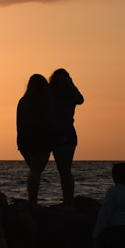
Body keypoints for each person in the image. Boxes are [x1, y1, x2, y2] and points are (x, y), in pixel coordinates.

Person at [16, 74, 53, 206]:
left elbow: (19, 123)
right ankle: (33, 201)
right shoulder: (45, 103)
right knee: (36, 171)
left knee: (34, 171)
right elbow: (49, 122)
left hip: (25, 142)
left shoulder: (23, 101)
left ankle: (32, 200)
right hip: (41, 141)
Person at [49, 68, 84, 208]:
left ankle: (68, 200)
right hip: (58, 133)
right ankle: (68, 200)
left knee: (65, 170)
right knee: (63, 170)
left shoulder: (69, 95)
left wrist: (70, 83)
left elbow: (80, 99)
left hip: (65, 133)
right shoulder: (51, 95)